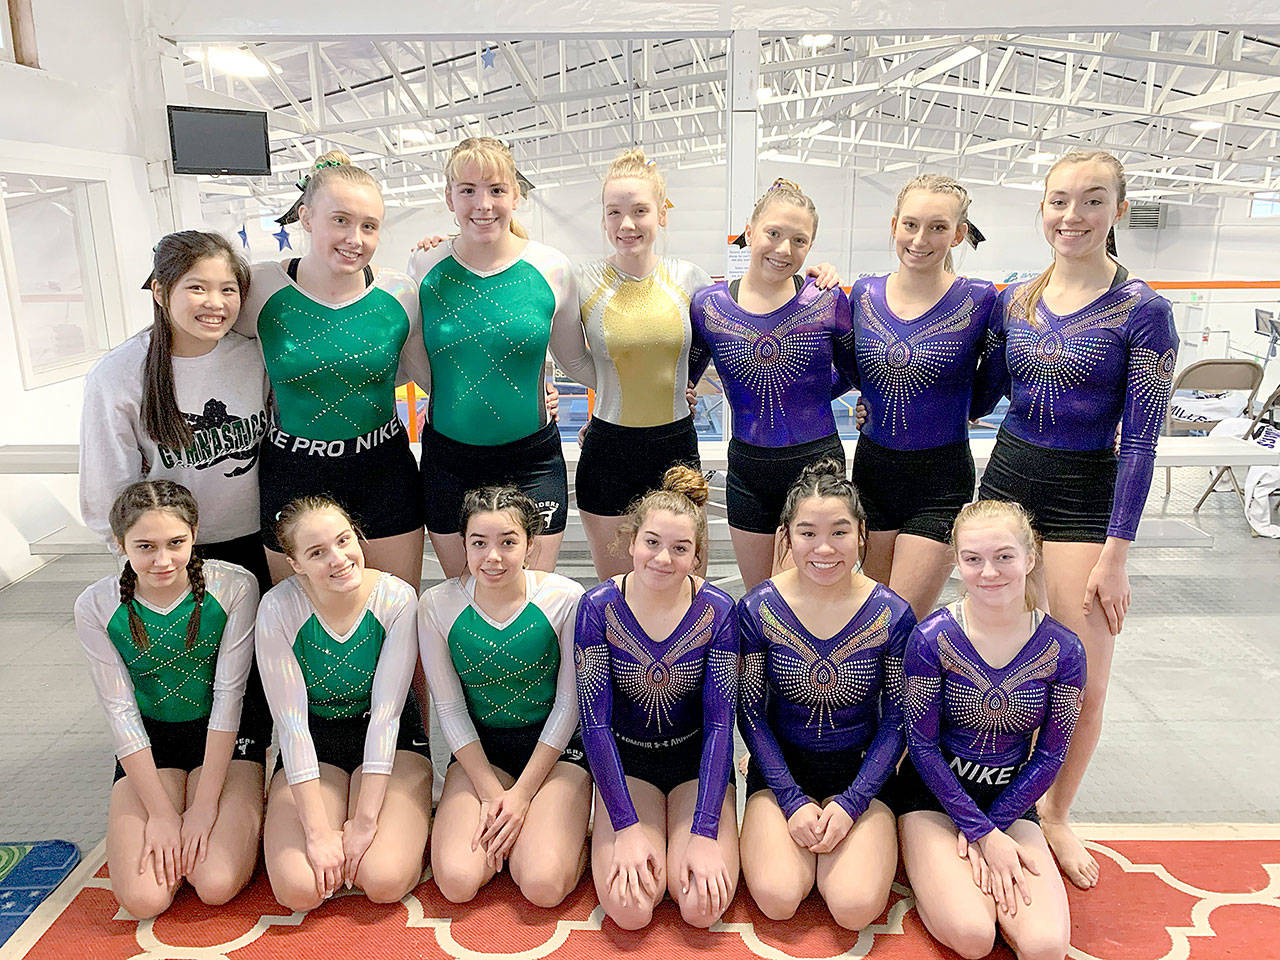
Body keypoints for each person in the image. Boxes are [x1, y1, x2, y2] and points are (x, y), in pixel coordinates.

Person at [974, 150, 1177, 888]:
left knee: (1082, 676)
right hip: (1006, 486)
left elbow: (1143, 441)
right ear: (1042, 208)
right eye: (1060, 201)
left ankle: (1057, 812)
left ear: (1119, 210)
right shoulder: (1017, 301)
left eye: (1092, 202)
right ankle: (996, 787)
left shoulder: (1143, 311)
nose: (1072, 217)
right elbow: (979, 397)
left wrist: (1115, 554)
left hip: (1084, 497)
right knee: (997, 656)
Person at [898, 499, 1084, 960]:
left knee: (1045, 946)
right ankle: (924, 864)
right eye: (973, 559)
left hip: (1011, 800)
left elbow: (1050, 756)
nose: (989, 572)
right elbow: (920, 746)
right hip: (934, 799)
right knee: (972, 934)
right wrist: (978, 832)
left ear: (1030, 558)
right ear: (957, 562)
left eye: (1004, 556)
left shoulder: (1064, 649)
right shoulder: (931, 639)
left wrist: (996, 827)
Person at [403, 137, 595, 578]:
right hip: (449, 460)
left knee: (533, 599)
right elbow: (416, 363)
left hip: (530, 460)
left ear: (515, 195)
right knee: (465, 600)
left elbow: (577, 362)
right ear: (448, 196)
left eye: (496, 189)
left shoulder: (552, 268)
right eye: (467, 189)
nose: (482, 204)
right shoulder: (423, 265)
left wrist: (662, 391)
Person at [235, 151, 425, 591]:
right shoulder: (260, 287)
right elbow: (205, 342)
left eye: (369, 226)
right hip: (294, 471)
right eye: (340, 220)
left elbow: (423, 372)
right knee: (299, 616)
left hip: (381, 469)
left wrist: (539, 390)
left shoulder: (400, 292)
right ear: (306, 217)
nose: (354, 238)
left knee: (395, 610)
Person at [737, 458, 914, 929]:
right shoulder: (758, 609)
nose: (824, 549)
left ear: (861, 535)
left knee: (853, 907)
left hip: (861, 773)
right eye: (807, 533)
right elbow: (750, 714)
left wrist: (854, 801)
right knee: (777, 898)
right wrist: (790, 799)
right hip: (782, 774)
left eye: (839, 532)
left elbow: (899, 719)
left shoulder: (892, 614)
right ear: (786, 538)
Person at [73, 480, 263, 918]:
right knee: (144, 899)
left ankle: (246, 804)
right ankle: (178, 802)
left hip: (227, 742)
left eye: (176, 543)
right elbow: (119, 712)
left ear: (195, 534)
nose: (163, 560)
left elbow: (229, 695)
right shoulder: (95, 606)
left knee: (214, 882)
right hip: (150, 744)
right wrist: (161, 813)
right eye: (145, 546)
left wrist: (204, 807)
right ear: (120, 544)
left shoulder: (234, 587)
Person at [574, 467, 739, 929]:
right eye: (651, 542)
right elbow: (595, 725)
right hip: (628, 765)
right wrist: (624, 828)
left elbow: (721, 726)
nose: (663, 558)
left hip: (695, 766)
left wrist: (706, 831)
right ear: (631, 542)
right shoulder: (598, 608)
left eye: (680, 548)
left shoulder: (717, 612)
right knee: (630, 911)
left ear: (697, 555)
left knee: (701, 910)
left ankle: (692, 831)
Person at [255, 495, 431, 911]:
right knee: (299, 890)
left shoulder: (396, 598)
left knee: (384, 880)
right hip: (317, 745)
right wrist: (318, 832)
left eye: (343, 540)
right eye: (317, 553)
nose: (338, 559)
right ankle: (336, 815)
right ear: (295, 563)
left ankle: (394, 821)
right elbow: (292, 725)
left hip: (394, 741)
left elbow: (387, 716)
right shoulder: (278, 608)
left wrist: (365, 822)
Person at [419, 486, 590, 907]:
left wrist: (523, 795)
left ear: (531, 545)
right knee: (457, 881)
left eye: (508, 542)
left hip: (556, 752)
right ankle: (525, 830)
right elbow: (450, 709)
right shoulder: (437, 606)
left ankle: (572, 841)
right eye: (479, 543)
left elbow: (570, 705)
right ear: (463, 544)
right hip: (483, 754)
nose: (492, 557)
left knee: (542, 885)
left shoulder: (564, 598)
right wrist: (493, 794)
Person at [80, 230, 271, 590]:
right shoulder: (119, 373)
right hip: (171, 555)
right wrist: (139, 558)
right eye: (197, 288)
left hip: (258, 542)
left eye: (228, 289)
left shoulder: (253, 355)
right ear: (160, 291)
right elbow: (107, 488)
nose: (216, 302)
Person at [689, 178, 854, 589]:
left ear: (810, 247)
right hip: (748, 470)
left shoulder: (826, 298)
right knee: (761, 598)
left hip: (818, 465)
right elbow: (680, 378)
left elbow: (856, 371)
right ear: (749, 232)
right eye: (774, 233)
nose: (784, 250)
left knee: (815, 594)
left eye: (799, 240)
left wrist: (818, 394)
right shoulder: (708, 306)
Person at [849, 175, 999, 620]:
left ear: (958, 233)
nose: (920, 239)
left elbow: (992, 387)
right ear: (894, 225)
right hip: (874, 471)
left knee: (900, 619)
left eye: (937, 227)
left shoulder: (979, 299)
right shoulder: (864, 293)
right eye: (911, 224)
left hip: (940, 476)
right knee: (866, 622)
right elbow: (846, 365)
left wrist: (947, 410)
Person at [574, 148, 713, 578]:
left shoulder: (690, 279)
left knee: (688, 589)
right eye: (614, 212)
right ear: (603, 218)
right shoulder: (581, 281)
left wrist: (683, 380)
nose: (627, 224)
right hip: (608, 452)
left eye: (639, 211)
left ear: (661, 215)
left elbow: (719, 336)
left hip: (675, 451)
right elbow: (563, 352)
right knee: (617, 591)